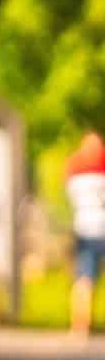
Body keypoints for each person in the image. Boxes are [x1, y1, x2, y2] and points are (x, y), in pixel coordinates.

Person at [68, 131, 105, 337]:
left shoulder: (76, 173)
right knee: (86, 278)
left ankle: (80, 323)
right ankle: (82, 322)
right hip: (100, 226)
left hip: (84, 226)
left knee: (84, 277)